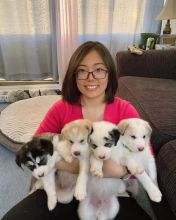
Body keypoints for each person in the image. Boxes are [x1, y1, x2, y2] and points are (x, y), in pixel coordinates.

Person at [2, 41, 152, 220]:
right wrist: (75, 167)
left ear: (110, 73)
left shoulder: (125, 111)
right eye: (82, 70)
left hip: (111, 192)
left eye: (98, 69)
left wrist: (122, 171)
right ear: (74, 75)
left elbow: (145, 158)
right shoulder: (61, 108)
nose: (90, 77)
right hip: (64, 187)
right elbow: (35, 147)